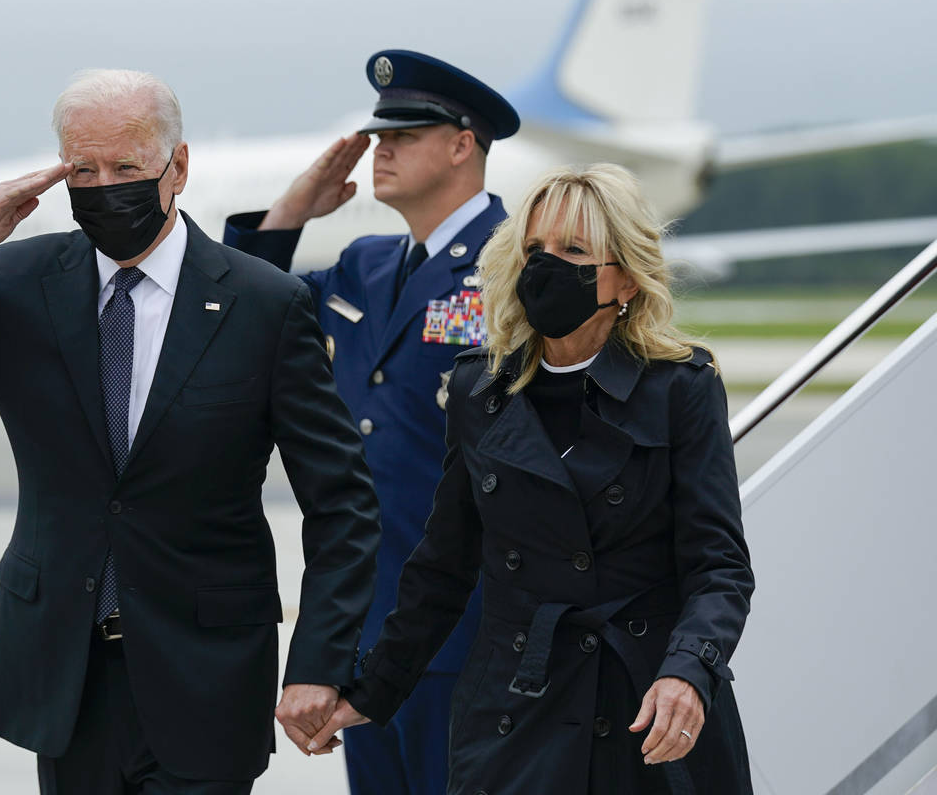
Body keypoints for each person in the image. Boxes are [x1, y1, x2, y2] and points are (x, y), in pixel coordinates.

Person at [0, 69, 380, 795]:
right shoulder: (16, 285)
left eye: (125, 167)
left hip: (206, 674)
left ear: (177, 167)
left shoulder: (262, 303)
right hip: (65, 674)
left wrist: (318, 661)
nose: (103, 185)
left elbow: (341, 503)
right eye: (82, 169)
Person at [311, 163, 756, 795]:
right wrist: (374, 690)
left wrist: (689, 672)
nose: (545, 266)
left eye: (572, 250)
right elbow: (444, 566)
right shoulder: (480, 388)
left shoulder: (681, 389)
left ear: (625, 278)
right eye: (533, 250)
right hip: (517, 707)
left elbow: (720, 567)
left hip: (645, 708)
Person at [223, 49, 519, 795]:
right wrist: (292, 209)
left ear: (462, 144)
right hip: (371, 623)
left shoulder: (517, 266)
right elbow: (237, 313)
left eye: (405, 135)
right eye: (379, 135)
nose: (381, 150)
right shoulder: (365, 264)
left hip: (474, 627)